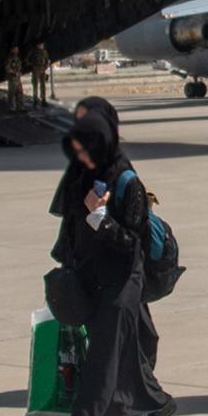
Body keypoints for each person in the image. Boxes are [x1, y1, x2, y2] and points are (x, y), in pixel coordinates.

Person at [46, 111, 177, 416]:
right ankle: (160, 403)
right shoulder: (80, 179)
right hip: (88, 280)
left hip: (121, 285)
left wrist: (100, 219)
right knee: (126, 356)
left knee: (102, 358)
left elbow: (131, 245)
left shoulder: (127, 182)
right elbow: (70, 233)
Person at [51, 96, 162, 369]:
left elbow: (131, 230)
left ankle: (136, 382)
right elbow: (72, 219)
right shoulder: (82, 167)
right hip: (92, 264)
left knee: (138, 332)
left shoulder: (120, 172)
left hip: (118, 264)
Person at [27, 42, 51, 107]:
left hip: (42, 71)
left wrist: (45, 67)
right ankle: (35, 100)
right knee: (35, 86)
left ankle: (43, 100)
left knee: (43, 86)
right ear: (38, 45)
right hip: (35, 71)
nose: (42, 46)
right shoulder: (33, 52)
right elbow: (27, 60)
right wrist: (32, 66)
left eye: (42, 45)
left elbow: (47, 60)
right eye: (40, 45)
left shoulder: (45, 52)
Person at [5, 46, 25, 112]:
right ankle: (11, 108)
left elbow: (19, 67)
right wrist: (14, 73)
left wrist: (19, 73)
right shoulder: (10, 58)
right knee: (12, 93)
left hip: (18, 78)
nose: (17, 50)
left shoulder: (17, 58)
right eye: (15, 49)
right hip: (12, 78)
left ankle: (20, 107)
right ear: (12, 50)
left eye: (17, 49)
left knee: (19, 92)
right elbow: (7, 69)